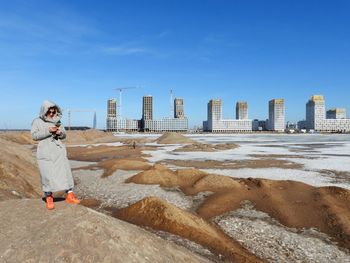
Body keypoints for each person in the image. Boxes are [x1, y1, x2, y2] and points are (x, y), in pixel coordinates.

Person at [31, 100, 80, 210]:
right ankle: (49, 198)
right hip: (46, 151)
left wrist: (59, 133)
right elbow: (34, 136)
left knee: (66, 172)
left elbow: (64, 136)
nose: (52, 114)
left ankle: (70, 195)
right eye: (50, 112)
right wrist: (49, 131)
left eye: (54, 112)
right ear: (44, 111)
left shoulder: (58, 121)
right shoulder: (37, 121)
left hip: (59, 151)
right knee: (47, 175)